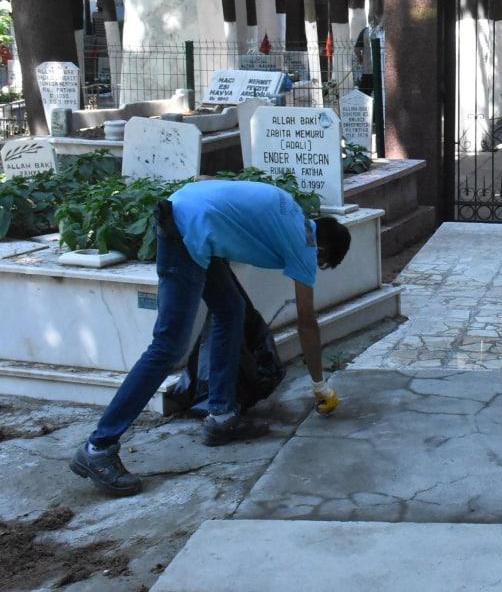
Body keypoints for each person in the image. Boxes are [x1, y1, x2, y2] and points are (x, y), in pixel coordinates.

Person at [69, 179, 352, 497]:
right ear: (323, 248)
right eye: (322, 262)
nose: (316, 265)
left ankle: (221, 415)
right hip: (185, 234)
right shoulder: (304, 243)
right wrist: (319, 386)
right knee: (168, 346)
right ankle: (98, 447)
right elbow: (306, 323)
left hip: (191, 221)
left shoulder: (292, 213)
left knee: (231, 309)